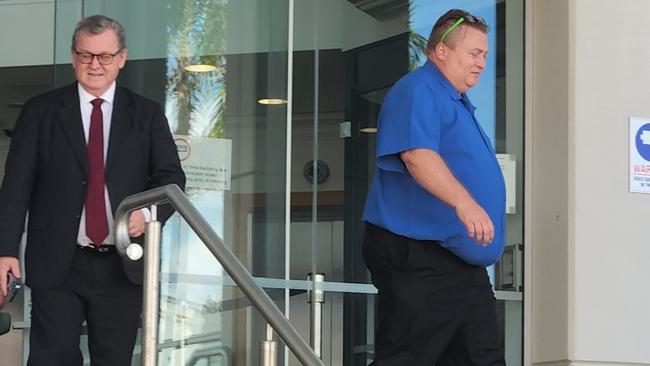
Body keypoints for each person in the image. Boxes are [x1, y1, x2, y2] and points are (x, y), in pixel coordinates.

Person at [0, 15, 185, 365]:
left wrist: (145, 216)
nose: (95, 65)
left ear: (122, 58)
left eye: (104, 56)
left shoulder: (146, 114)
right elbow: (15, 185)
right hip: (58, 260)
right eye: (86, 55)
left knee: (114, 359)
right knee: (50, 357)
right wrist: (5, 249)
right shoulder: (40, 112)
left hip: (122, 264)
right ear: (73, 57)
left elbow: (171, 179)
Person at [362, 8, 506, 366]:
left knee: (482, 356)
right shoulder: (419, 89)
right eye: (474, 54)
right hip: (420, 253)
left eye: (485, 55)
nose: (482, 63)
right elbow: (417, 155)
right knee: (409, 356)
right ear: (442, 51)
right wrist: (466, 204)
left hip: (459, 263)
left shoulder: (455, 101)